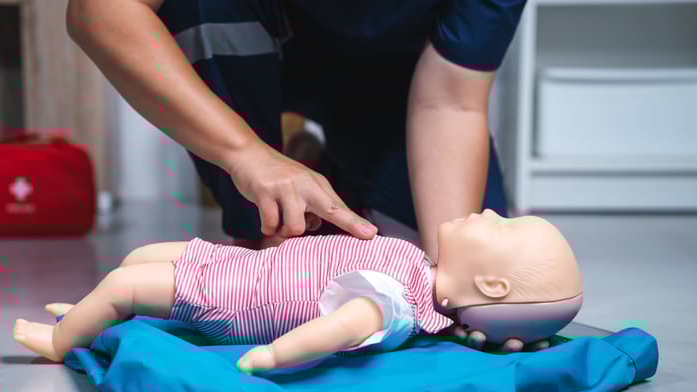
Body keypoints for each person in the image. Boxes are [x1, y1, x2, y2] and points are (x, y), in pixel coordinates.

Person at [65, 0, 528, 345]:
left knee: (435, 268)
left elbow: (451, 100)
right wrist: (247, 154)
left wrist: (452, 285)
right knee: (203, 7)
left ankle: (320, 170)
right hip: (253, 40)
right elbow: (98, 11)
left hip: (400, 83)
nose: (493, 221)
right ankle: (257, 236)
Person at [13, 210, 583, 364]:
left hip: (238, 299)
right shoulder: (415, 264)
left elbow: (342, 326)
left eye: (502, 227)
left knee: (124, 282)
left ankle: (64, 342)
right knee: (140, 259)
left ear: (491, 283)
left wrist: (274, 355)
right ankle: (91, 313)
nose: (490, 211)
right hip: (242, 266)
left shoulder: (398, 302)